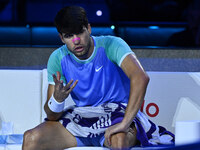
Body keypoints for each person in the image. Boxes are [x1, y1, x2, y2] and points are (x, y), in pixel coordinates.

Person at [22, 6, 174, 150]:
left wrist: (125, 124)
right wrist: (57, 100)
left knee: (119, 140)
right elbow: (52, 115)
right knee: (31, 139)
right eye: (69, 36)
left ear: (88, 28)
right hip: (81, 118)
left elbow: (140, 77)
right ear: (61, 38)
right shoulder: (57, 58)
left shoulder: (112, 44)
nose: (76, 40)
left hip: (117, 114)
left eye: (79, 33)